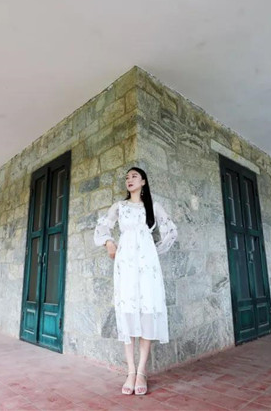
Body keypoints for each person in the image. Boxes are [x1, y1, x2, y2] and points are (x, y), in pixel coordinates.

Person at [94, 167, 177, 396]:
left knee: (147, 311)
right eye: (127, 177)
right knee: (128, 311)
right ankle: (130, 371)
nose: (129, 180)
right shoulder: (119, 207)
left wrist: (152, 252)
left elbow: (171, 232)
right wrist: (109, 243)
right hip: (126, 265)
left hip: (147, 267)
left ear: (143, 181)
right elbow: (103, 227)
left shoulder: (153, 207)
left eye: (134, 176)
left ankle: (141, 371)